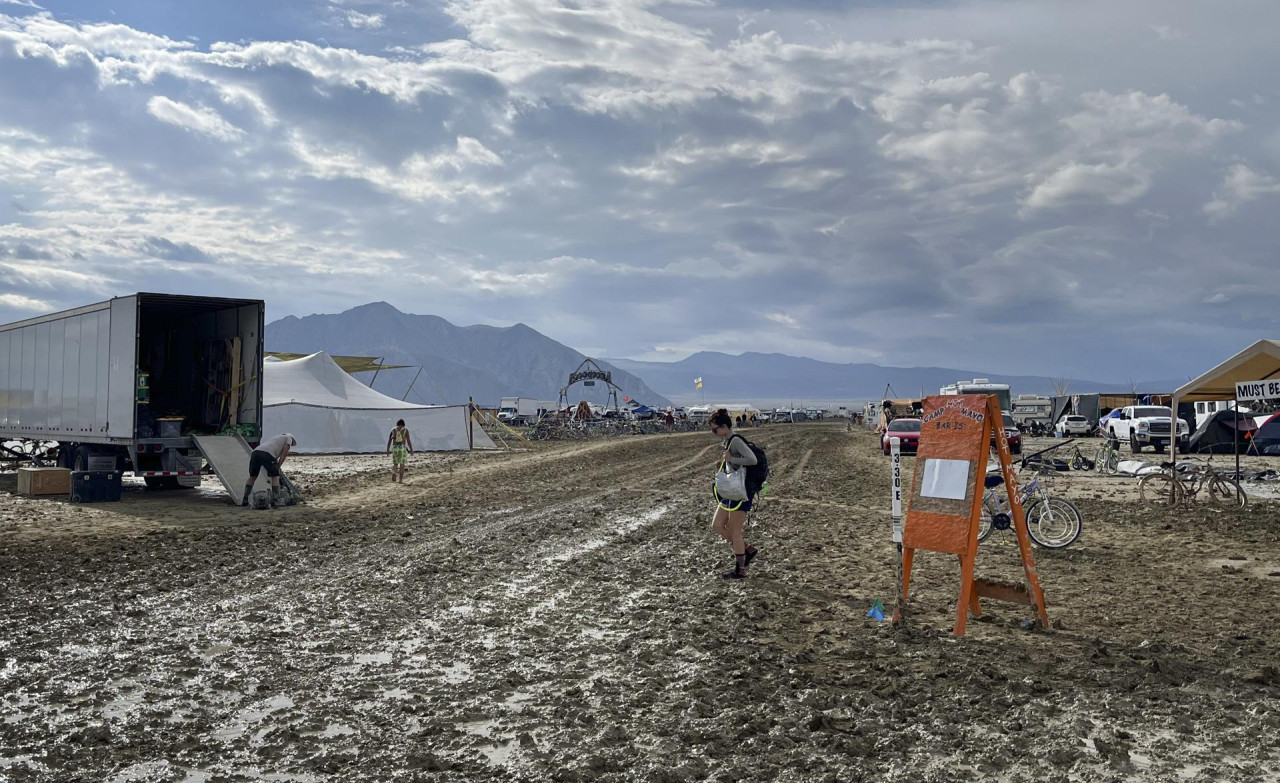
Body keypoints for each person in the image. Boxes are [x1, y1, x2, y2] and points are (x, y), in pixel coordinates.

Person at [708, 408, 759, 579]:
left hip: (740, 491)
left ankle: (741, 569)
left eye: (715, 429)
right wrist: (724, 463)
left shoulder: (735, 440)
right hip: (730, 490)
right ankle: (746, 549)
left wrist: (731, 460)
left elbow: (752, 460)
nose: (713, 433)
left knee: (734, 529)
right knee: (717, 525)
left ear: (724, 427)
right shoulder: (729, 441)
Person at [243, 433, 295, 508]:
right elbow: (283, 456)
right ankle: (276, 501)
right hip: (267, 454)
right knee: (275, 476)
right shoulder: (288, 439)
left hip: (255, 453)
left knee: (252, 476)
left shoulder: (275, 438)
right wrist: (278, 467)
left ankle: (245, 499)